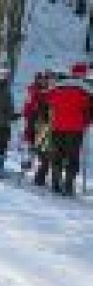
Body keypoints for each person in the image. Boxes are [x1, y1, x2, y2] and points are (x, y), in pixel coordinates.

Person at [46, 63, 92, 196]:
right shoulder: (85, 89)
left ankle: (55, 183)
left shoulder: (58, 87)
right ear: (83, 74)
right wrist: (87, 122)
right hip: (75, 129)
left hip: (57, 126)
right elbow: (89, 110)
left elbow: (49, 101)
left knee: (58, 155)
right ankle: (68, 185)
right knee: (72, 157)